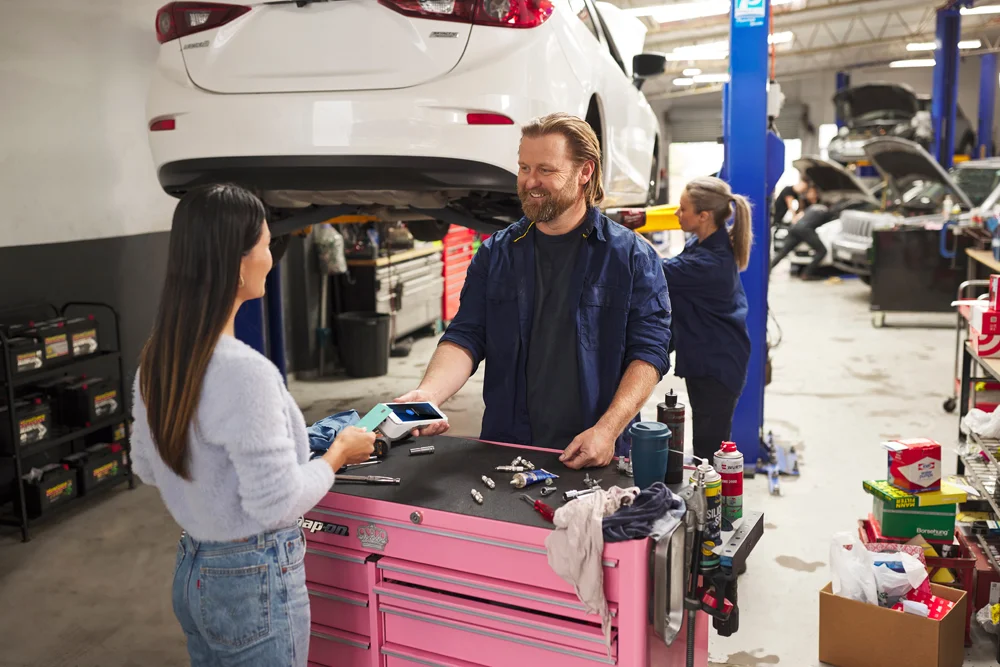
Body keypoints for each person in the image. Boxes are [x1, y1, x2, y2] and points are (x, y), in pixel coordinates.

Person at [130, 184, 376, 666]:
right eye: (266, 243)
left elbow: (146, 465)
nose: (270, 255)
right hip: (251, 576)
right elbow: (278, 502)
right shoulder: (245, 373)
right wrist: (337, 455)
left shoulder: (158, 359)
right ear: (238, 262)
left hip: (194, 569)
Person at [396, 112, 671, 469]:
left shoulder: (632, 257)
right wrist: (429, 394)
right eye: (524, 168)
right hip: (507, 448)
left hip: (592, 450)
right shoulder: (497, 253)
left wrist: (607, 429)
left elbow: (648, 354)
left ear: (585, 172)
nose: (530, 182)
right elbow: (467, 335)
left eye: (546, 170)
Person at [659, 177, 752, 463]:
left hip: (717, 365)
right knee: (706, 442)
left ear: (704, 216)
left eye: (683, 208)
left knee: (709, 450)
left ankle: (717, 505)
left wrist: (627, 238)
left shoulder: (710, 263)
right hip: (711, 357)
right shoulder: (701, 245)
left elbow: (658, 270)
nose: (676, 214)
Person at [769, 181, 832, 279]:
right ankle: (806, 273)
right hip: (803, 229)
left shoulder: (809, 205)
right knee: (822, 251)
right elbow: (790, 205)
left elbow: (800, 212)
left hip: (795, 228)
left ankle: (767, 270)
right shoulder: (788, 190)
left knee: (783, 251)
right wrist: (794, 216)